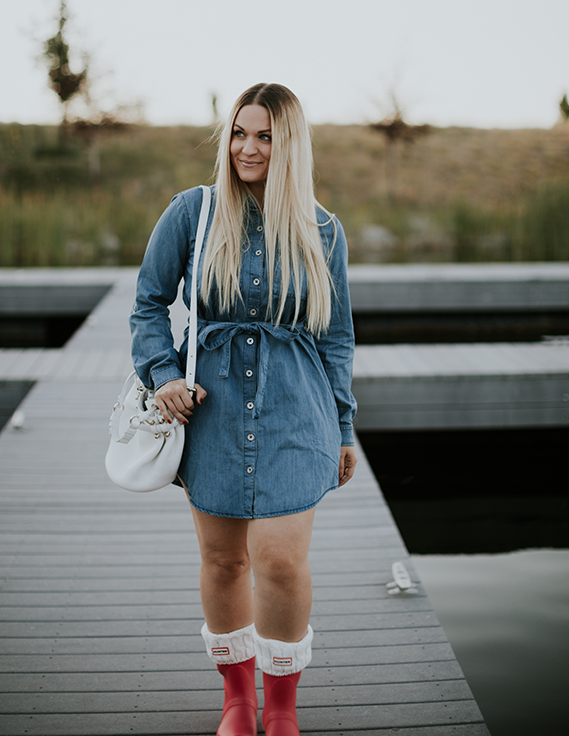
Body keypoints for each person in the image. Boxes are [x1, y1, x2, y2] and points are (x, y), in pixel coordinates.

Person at [130, 83, 357, 736]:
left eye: (263, 135)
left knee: (281, 561)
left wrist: (344, 426)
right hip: (215, 412)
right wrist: (163, 374)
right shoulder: (192, 213)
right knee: (224, 561)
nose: (247, 148)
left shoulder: (323, 229)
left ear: (289, 144)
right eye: (238, 133)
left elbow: (336, 336)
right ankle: (236, 699)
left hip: (297, 411)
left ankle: (281, 709)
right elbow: (148, 303)